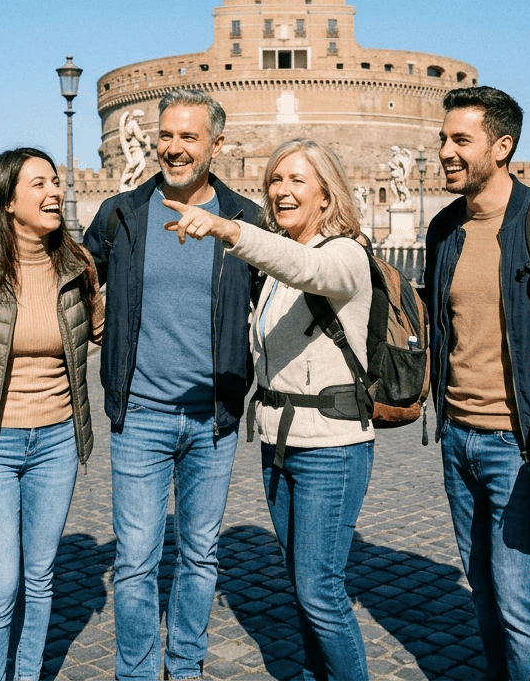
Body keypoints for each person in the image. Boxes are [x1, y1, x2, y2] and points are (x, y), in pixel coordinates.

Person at [164, 137, 375, 681]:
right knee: (304, 591)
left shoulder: (346, 256)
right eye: (275, 180)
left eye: (296, 180)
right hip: (281, 445)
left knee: (321, 591)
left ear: (326, 197)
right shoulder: (279, 273)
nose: (281, 190)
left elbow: (309, 269)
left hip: (332, 447)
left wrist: (230, 230)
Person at [82, 88, 259, 681]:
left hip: (213, 418)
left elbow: (287, 291)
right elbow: (73, 275)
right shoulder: (121, 214)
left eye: (189, 136)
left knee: (200, 555)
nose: (174, 148)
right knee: (134, 560)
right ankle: (135, 672)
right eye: (166, 135)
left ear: (216, 144)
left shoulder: (244, 221)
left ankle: (184, 667)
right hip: (141, 415)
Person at [421, 86, 530, 681]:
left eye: (460, 140)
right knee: (484, 591)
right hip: (458, 440)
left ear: (503, 146)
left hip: (517, 446)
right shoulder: (443, 230)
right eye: (443, 138)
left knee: (519, 597)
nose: (444, 150)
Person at [0, 147, 104, 681]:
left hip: (57, 440)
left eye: (57, 182)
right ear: (8, 200)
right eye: (39, 184)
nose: (54, 192)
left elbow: (106, 331)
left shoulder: (76, 265)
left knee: (40, 578)